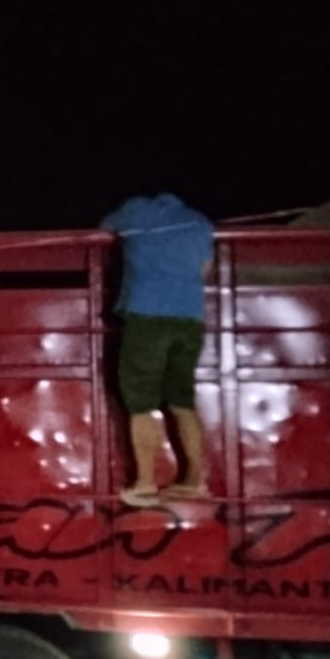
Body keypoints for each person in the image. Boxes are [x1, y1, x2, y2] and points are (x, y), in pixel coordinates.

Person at [102, 192, 216, 507]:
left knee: (140, 401)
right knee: (182, 399)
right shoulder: (199, 221)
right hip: (190, 318)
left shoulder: (137, 212)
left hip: (147, 316)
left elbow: (106, 226)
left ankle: (145, 483)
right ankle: (194, 480)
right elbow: (205, 269)